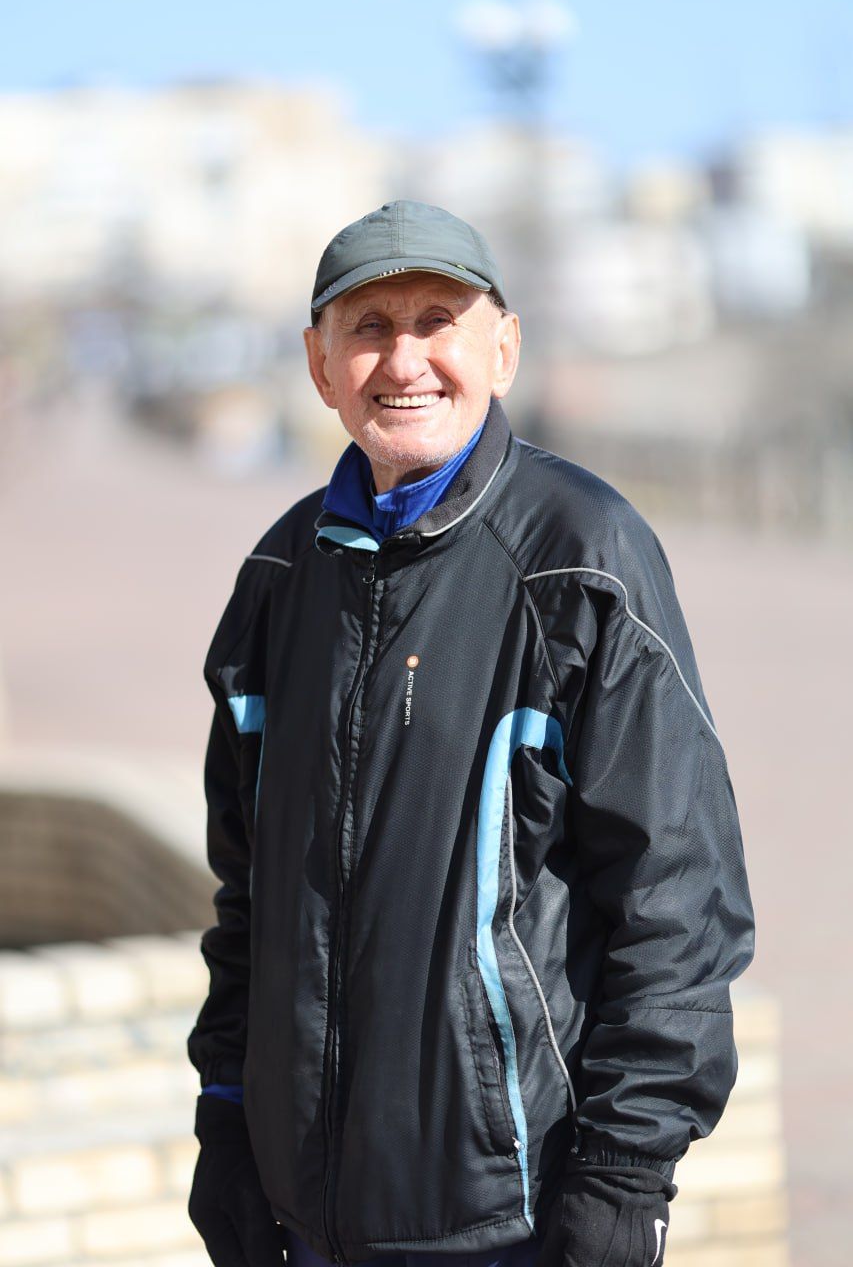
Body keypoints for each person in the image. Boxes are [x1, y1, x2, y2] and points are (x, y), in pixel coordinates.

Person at [187, 200, 754, 1267]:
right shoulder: (278, 576)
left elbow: (678, 901)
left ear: (502, 349)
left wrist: (624, 1175)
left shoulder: (581, 558)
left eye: (436, 321)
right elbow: (246, 897)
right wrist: (225, 1113)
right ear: (318, 364)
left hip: (515, 1216)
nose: (403, 359)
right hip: (304, 1217)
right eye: (368, 327)